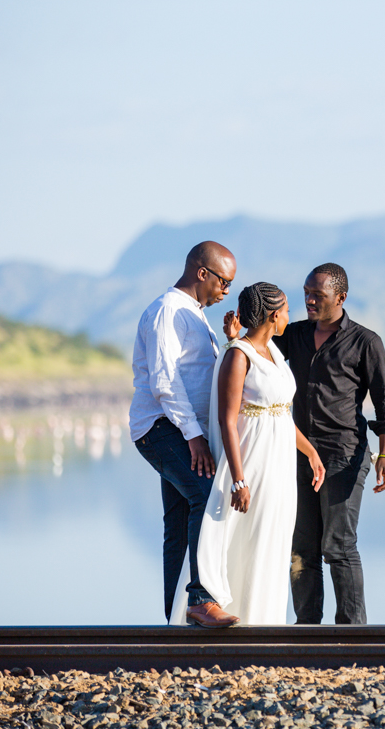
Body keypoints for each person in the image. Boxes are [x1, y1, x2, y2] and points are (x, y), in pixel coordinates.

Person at [227, 262, 385, 624]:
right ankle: (308, 630)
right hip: (295, 455)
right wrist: (236, 336)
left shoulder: (366, 342)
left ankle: (352, 633)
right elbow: (258, 355)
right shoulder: (295, 334)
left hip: (345, 455)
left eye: (317, 295)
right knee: (301, 550)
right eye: (306, 293)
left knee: (338, 546)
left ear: (341, 297)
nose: (308, 300)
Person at [168, 282, 326, 626]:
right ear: (273, 315)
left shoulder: (274, 352)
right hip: (251, 463)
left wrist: (310, 451)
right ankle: (226, 622)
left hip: (279, 465)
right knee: (245, 537)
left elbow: (280, 413)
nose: (289, 317)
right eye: (285, 311)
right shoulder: (239, 354)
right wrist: (239, 480)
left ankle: (264, 624)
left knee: (272, 540)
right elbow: (227, 420)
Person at [129, 241, 240, 628]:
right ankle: (201, 599)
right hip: (163, 428)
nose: (226, 291)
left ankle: (174, 617)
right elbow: (165, 383)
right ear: (202, 273)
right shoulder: (167, 311)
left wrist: (228, 340)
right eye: (224, 282)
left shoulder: (194, 314)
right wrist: (195, 438)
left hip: (180, 429)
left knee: (177, 521)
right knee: (205, 497)